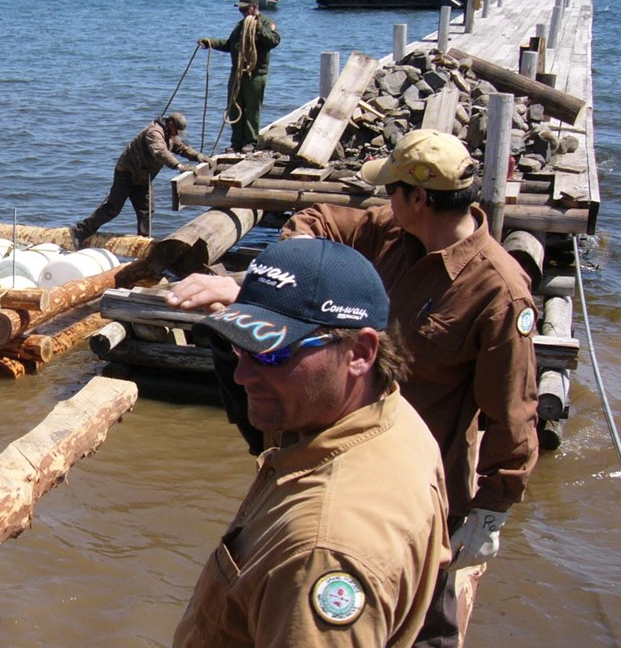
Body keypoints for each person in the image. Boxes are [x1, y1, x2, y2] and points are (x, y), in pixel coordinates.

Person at [167, 129, 538, 646]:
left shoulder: (498, 290)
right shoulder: (393, 232)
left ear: (419, 198)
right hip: (338, 436)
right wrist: (278, 288)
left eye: (392, 190)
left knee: (429, 616)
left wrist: (493, 507)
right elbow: (319, 219)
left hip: (416, 476)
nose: (381, 200)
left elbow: (512, 409)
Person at [172, 237, 449, 647]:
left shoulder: (321, 552)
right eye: (240, 345)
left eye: (273, 354)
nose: (242, 374)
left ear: (360, 352)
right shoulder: (391, 415)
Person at [69, 112, 205, 244]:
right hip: (127, 173)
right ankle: (79, 231)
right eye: (177, 130)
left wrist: (198, 156)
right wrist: (179, 166)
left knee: (147, 209)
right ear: (170, 123)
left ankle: (142, 240)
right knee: (113, 208)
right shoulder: (154, 133)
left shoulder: (170, 135)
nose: (177, 134)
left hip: (142, 177)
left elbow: (181, 148)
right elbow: (160, 152)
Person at [198, 0, 280, 152]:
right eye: (240, 9)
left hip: (255, 74)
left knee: (251, 108)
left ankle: (250, 141)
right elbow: (230, 45)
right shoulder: (240, 25)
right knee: (234, 108)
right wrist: (211, 43)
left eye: (245, 9)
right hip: (237, 73)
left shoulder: (266, 23)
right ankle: (236, 142)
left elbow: (273, 41)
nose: (242, 12)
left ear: (255, 8)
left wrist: (257, 27)